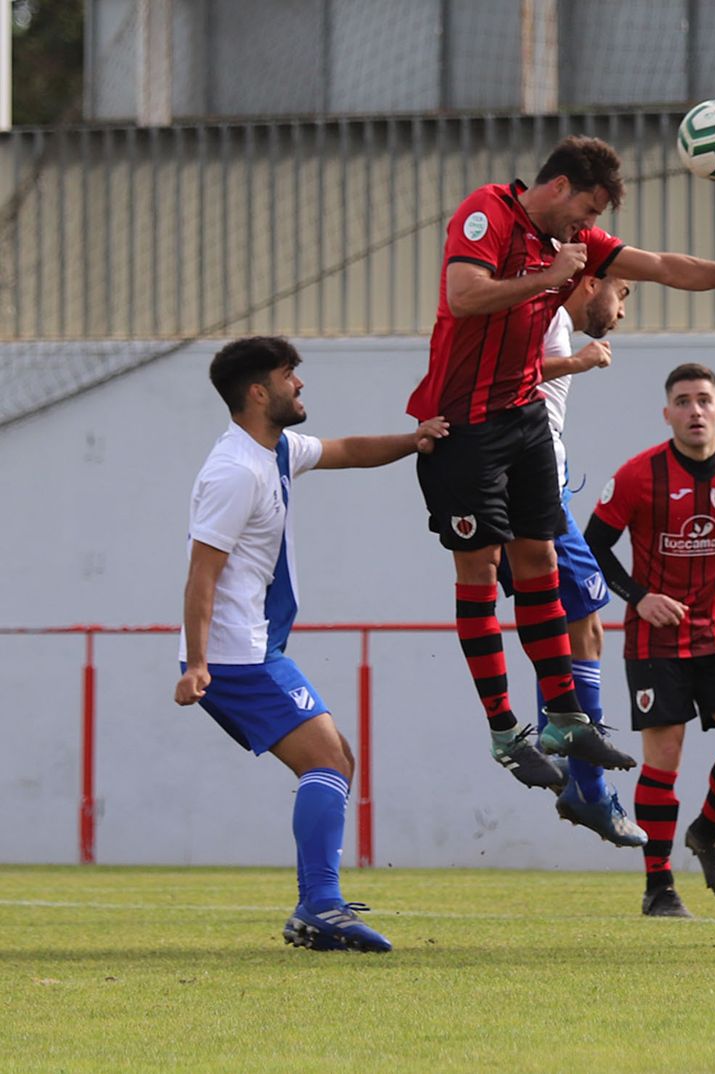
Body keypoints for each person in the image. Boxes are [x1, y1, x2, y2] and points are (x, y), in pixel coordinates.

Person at [405, 136, 715, 797]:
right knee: (481, 571)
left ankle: (565, 717)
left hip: (523, 421)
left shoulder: (577, 245)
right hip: (465, 423)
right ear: (560, 186)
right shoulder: (487, 211)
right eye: (586, 210)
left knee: (540, 560)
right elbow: (463, 296)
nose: (589, 228)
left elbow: (660, 264)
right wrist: (548, 278)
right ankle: (501, 728)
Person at [174, 336, 447, 953]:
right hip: (232, 656)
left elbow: (346, 449)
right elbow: (202, 573)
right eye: (289, 375)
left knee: (336, 759)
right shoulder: (234, 471)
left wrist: (415, 440)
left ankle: (314, 906)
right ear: (257, 391)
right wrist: (195, 664)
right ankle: (320, 905)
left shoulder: (274, 451)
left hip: (252, 649)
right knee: (327, 762)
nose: (300, 385)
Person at [583, 364, 715, 918]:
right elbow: (592, 545)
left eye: (703, 400)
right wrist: (638, 597)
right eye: (682, 401)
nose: (694, 410)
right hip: (655, 640)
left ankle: (708, 832)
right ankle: (659, 887)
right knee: (664, 759)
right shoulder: (639, 476)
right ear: (667, 414)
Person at [494, 274, 647, 848]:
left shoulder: (547, 317)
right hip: (528, 492)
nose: (623, 311)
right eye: (624, 292)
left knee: (569, 622)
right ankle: (580, 775)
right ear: (591, 281)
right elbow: (507, 379)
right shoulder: (547, 317)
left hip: (535, 486)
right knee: (579, 619)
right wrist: (578, 362)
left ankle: (578, 775)